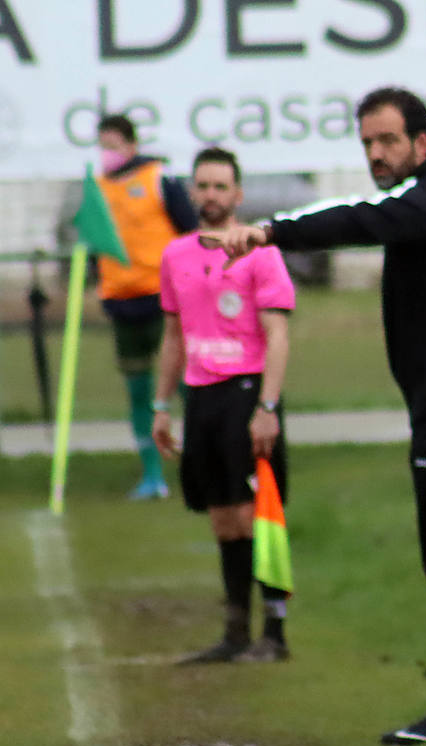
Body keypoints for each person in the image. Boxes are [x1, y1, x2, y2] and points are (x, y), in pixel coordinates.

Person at [203, 86, 426, 746]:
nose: (377, 153)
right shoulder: (424, 204)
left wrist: (270, 232)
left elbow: (355, 219)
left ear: (422, 143)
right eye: (367, 143)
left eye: (388, 140)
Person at [151, 146, 294, 664]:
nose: (210, 195)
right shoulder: (176, 255)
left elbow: (277, 336)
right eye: (203, 186)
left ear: (238, 194)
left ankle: (274, 634)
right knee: (221, 517)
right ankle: (235, 632)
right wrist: (161, 405)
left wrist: (268, 406)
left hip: (247, 393)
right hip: (202, 398)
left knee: (258, 513)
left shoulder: (261, 252)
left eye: (220, 187)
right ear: (192, 192)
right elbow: (173, 335)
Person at [95, 113, 198, 500]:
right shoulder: (98, 190)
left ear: (131, 146)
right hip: (122, 302)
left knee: (186, 384)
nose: (107, 154)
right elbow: (95, 242)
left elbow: (189, 231)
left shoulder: (158, 180)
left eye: (113, 146)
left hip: (164, 299)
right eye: (102, 146)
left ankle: (205, 458)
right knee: (138, 390)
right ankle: (152, 474)